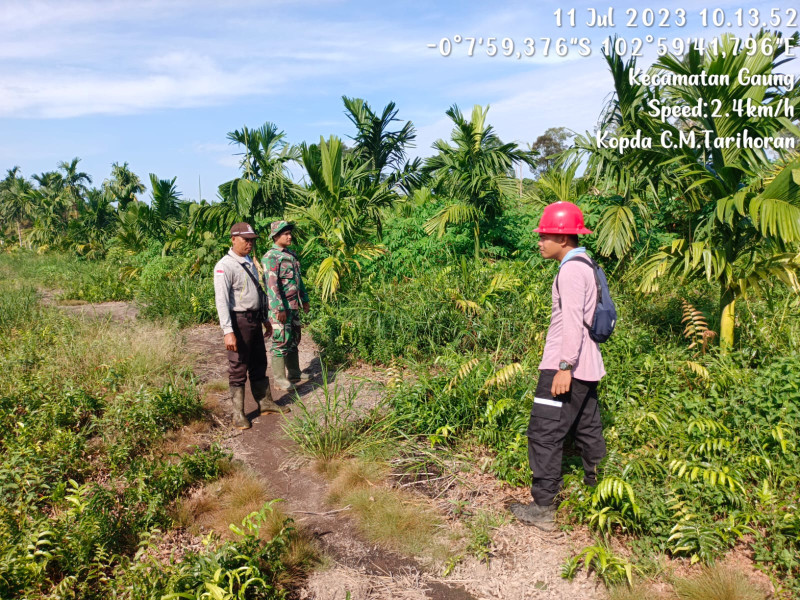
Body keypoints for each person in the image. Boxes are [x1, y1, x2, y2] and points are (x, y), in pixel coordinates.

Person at [510, 201, 607, 531]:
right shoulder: (586, 264)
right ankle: (601, 494)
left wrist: (564, 366)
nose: (539, 242)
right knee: (587, 429)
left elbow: (572, 325)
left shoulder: (569, 270)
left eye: (544, 236)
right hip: (588, 366)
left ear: (563, 238)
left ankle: (543, 508)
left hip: (565, 367)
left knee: (544, 432)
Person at [213, 222, 288, 430]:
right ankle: (238, 413)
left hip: (255, 319)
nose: (249, 244)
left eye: (252, 240)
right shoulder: (224, 266)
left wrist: (264, 319)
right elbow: (221, 301)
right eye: (246, 240)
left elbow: (258, 291)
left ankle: (265, 403)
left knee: (259, 362)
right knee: (238, 366)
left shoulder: (248, 261)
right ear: (233, 239)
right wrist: (228, 331)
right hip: (238, 321)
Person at [263, 220, 310, 390]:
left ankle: (294, 373)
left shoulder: (291, 255)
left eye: (290, 233)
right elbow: (272, 285)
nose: (289, 236)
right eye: (285, 234)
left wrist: (304, 299)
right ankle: (280, 380)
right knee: (281, 341)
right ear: (275, 236)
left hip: (293, 306)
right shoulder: (271, 257)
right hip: (281, 308)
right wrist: (279, 309)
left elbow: (299, 280)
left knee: (293, 339)